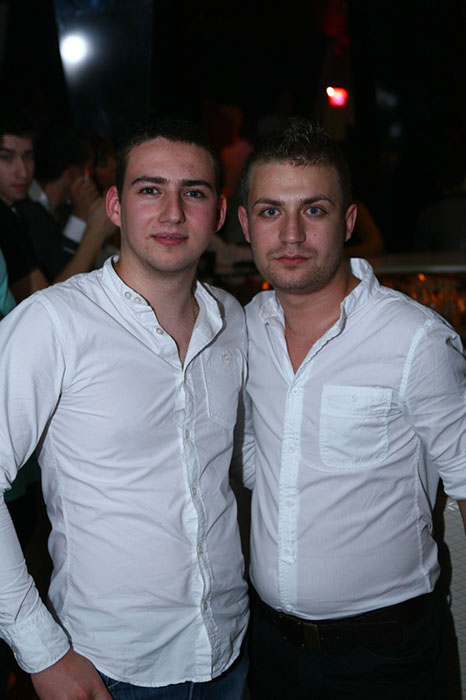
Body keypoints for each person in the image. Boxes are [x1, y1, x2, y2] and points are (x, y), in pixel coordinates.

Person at [0, 117, 249, 699]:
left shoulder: (231, 320)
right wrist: (42, 652)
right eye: (150, 189)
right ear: (114, 205)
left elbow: (238, 467)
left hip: (230, 652)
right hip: (109, 668)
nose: (172, 213)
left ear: (219, 212)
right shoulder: (54, 323)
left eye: (194, 193)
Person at [236, 118, 466, 699]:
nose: (291, 234)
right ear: (244, 225)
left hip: (387, 659)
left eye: (313, 210)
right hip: (268, 649)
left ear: (348, 221)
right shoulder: (243, 331)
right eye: (270, 211)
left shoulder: (414, 339)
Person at [0, 114, 114, 301]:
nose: (22, 171)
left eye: (28, 157)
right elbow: (42, 304)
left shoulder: (17, 212)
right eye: (6, 157)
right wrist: (96, 232)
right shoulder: (15, 216)